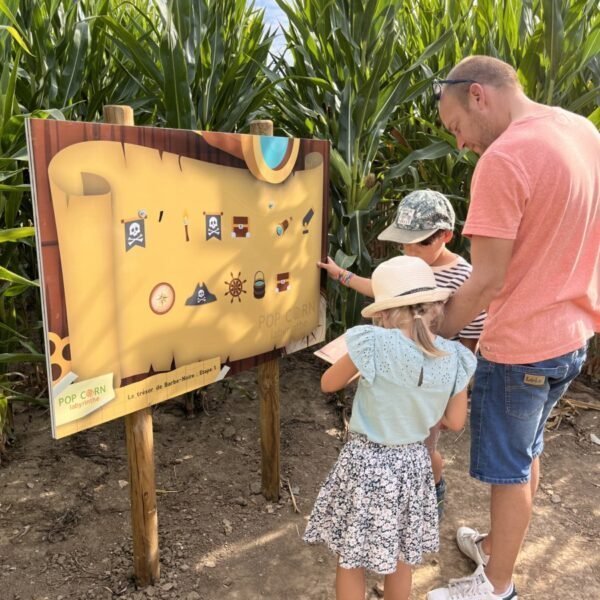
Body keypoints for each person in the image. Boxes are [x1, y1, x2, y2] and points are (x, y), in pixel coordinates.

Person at [427, 56, 600, 600]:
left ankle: (495, 585)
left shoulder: (504, 159)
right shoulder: (581, 131)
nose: (459, 145)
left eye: (456, 128)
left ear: (478, 95)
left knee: (508, 473)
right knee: (528, 453)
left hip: (522, 346)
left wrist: (433, 336)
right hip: (571, 336)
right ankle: (498, 548)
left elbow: (483, 283)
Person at [304, 256, 477, 600]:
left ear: (384, 312)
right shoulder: (455, 356)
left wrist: (363, 369)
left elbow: (328, 383)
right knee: (401, 557)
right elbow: (456, 421)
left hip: (367, 463)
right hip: (414, 465)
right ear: (433, 308)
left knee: (351, 558)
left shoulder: (373, 343)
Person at [318, 189, 485, 518]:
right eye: (404, 242)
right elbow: (380, 288)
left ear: (446, 236)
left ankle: (431, 490)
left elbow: (470, 337)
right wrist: (342, 275)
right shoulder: (410, 266)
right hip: (401, 372)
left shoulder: (464, 276)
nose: (409, 250)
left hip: (431, 379)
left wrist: (455, 386)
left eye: (419, 242)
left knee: (425, 448)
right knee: (408, 446)